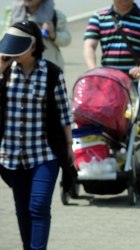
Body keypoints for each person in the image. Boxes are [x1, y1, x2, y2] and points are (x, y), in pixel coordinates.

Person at [0, 20, 74, 250]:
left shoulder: (52, 73)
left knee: (39, 206)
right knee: (22, 209)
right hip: (11, 156)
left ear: (33, 46)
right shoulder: (4, 74)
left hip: (44, 154)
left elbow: (64, 114)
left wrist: (70, 147)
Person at [83, 0, 140, 170]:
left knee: (138, 130)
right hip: (106, 87)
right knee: (105, 128)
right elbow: (89, 45)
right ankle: (109, 166)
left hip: (136, 86)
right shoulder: (99, 17)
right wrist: (93, 71)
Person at [8, 0, 71, 70]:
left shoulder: (55, 16)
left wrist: (53, 34)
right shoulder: (14, 16)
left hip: (50, 70)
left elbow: (67, 40)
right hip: (21, 71)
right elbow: (5, 39)